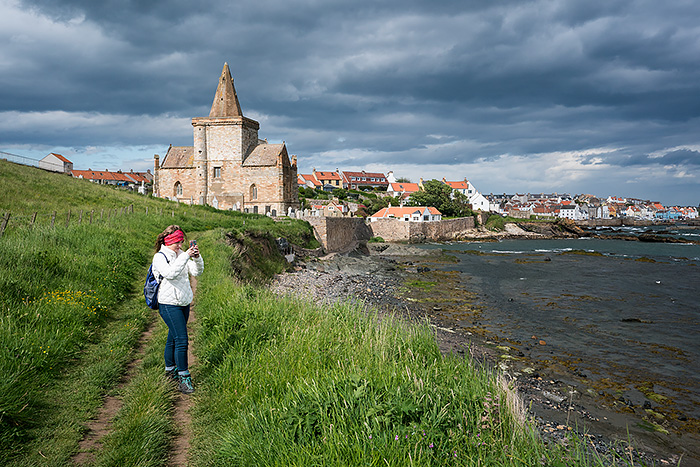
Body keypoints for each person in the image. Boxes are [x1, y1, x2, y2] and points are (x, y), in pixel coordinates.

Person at [152, 225, 204, 394]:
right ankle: (184, 377)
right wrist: (185, 257)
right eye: (178, 242)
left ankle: (170, 371)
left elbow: (197, 272)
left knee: (173, 338)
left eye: (182, 242)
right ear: (169, 241)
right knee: (182, 339)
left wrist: (196, 257)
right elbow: (170, 274)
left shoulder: (181, 254)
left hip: (183, 302)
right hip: (168, 304)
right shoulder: (159, 258)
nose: (180, 246)